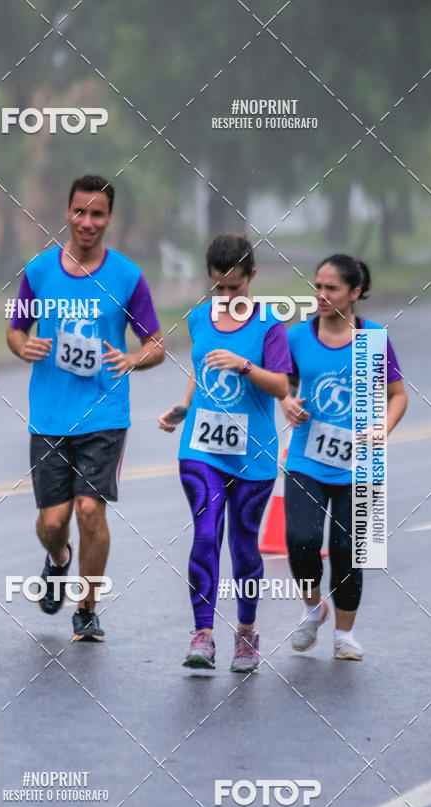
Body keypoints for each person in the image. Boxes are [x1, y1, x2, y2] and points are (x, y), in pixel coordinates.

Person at [7, 174, 164, 641]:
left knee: (90, 512)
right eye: (80, 212)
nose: (88, 222)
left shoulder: (127, 276)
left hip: (104, 413)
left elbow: (155, 343)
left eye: (97, 214)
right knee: (53, 522)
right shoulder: (39, 271)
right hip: (51, 416)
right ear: (67, 212)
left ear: (109, 218)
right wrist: (23, 347)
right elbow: (15, 330)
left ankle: (88, 608)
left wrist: (133, 357)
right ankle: (58, 560)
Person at [159, 235, 292, 672]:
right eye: (219, 287)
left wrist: (244, 365)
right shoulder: (198, 319)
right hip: (201, 447)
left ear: (251, 277)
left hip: (253, 454)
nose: (227, 296)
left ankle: (247, 633)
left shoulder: (270, 325)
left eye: (235, 286)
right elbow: (201, 372)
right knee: (206, 534)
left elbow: (281, 386)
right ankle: (203, 635)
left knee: (245, 547)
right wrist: (181, 408)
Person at [281, 254, 407, 660]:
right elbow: (282, 383)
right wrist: (286, 401)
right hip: (307, 458)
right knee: (300, 541)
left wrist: (382, 429)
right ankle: (313, 607)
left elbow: (398, 396)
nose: (321, 295)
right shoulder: (297, 337)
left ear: (354, 293)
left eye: (331, 288)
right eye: (317, 286)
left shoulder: (374, 339)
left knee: (349, 550)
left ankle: (344, 636)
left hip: (362, 463)